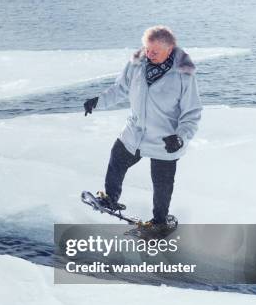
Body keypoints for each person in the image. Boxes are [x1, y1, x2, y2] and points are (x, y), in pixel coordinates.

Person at [83, 25, 202, 229]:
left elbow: (192, 113)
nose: (149, 54)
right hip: (135, 132)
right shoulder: (137, 63)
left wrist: (181, 137)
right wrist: (98, 102)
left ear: (169, 49)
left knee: (162, 185)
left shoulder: (183, 74)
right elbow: (120, 89)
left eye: (155, 51)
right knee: (117, 159)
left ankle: (160, 222)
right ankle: (110, 198)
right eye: (147, 49)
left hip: (166, 140)